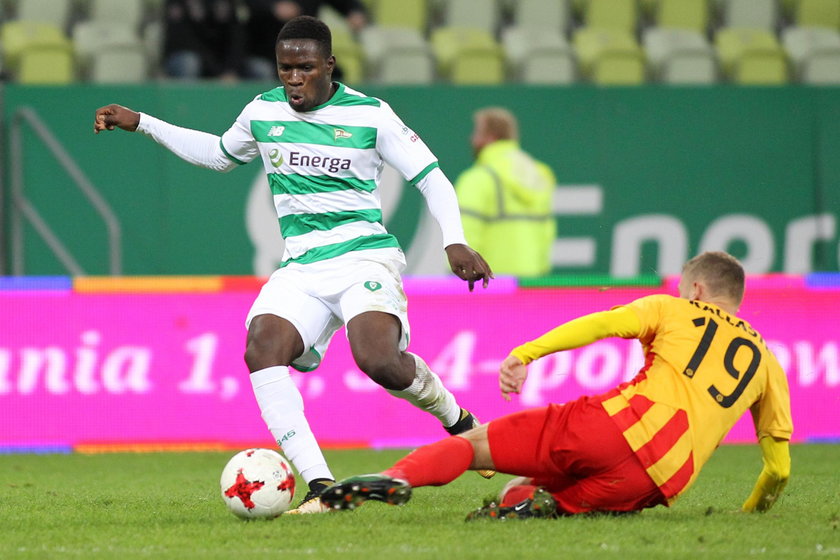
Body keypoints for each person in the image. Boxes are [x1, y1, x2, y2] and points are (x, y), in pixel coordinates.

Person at [94, 15, 494, 514]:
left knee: (378, 361)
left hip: (363, 255)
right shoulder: (262, 111)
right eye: (285, 68)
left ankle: (457, 420)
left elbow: (432, 179)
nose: (293, 79)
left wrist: (453, 242)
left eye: (304, 67)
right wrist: (144, 123)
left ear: (328, 65)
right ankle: (321, 485)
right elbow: (220, 154)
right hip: (301, 266)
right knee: (262, 348)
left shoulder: (371, 116)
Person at [321, 251, 793, 519]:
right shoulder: (768, 362)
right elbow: (778, 470)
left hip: (612, 427)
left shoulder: (673, 309)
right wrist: (751, 513)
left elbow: (601, 325)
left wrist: (526, 353)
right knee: (527, 498)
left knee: (474, 444)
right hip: (659, 480)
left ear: (696, 291)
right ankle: (542, 508)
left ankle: (397, 478)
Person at [453, 107, 557, 278]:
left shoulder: (477, 179)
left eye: (477, 133)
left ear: (491, 137)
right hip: (531, 278)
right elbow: (547, 232)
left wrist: (461, 271)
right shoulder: (539, 174)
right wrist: (541, 271)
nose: (472, 139)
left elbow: (465, 232)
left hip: (489, 281)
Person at [243, 0, 368, 81]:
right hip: (265, 50)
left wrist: (354, 12)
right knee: (267, 71)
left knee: (335, 73)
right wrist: (272, 7)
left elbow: (346, 4)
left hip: (308, 50)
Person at [162, 0, 247, 81]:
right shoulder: (180, 4)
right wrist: (218, 72)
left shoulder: (227, 4)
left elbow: (236, 39)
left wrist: (231, 70)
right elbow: (188, 41)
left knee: (256, 69)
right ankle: (186, 96)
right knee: (189, 62)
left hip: (223, 63)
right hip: (191, 58)